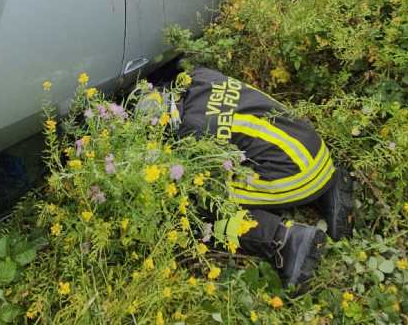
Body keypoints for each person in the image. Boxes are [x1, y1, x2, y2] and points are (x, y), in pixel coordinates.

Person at [139, 66, 355, 287]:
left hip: (297, 177)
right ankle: (327, 190)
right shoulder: (198, 77)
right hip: (313, 148)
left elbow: (205, 183)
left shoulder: (191, 132)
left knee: (200, 204)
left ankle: (285, 240)